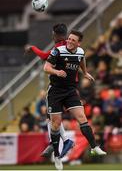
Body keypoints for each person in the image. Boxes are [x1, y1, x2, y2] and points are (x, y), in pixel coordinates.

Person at [44, 30, 107, 170]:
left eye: (73, 40)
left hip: (70, 91)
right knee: (56, 124)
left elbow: (81, 59)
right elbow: (46, 67)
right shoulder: (58, 51)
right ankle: (57, 155)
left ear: (79, 43)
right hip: (55, 91)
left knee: (82, 117)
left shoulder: (80, 52)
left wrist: (85, 72)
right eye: (69, 39)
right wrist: (56, 72)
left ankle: (94, 147)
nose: (70, 41)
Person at [25, 23, 74, 157]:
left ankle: (61, 141)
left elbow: (44, 56)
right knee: (52, 118)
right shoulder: (71, 45)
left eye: (53, 34)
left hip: (58, 88)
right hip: (69, 87)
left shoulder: (58, 47)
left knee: (52, 117)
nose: (52, 36)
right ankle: (59, 142)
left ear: (56, 35)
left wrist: (33, 48)